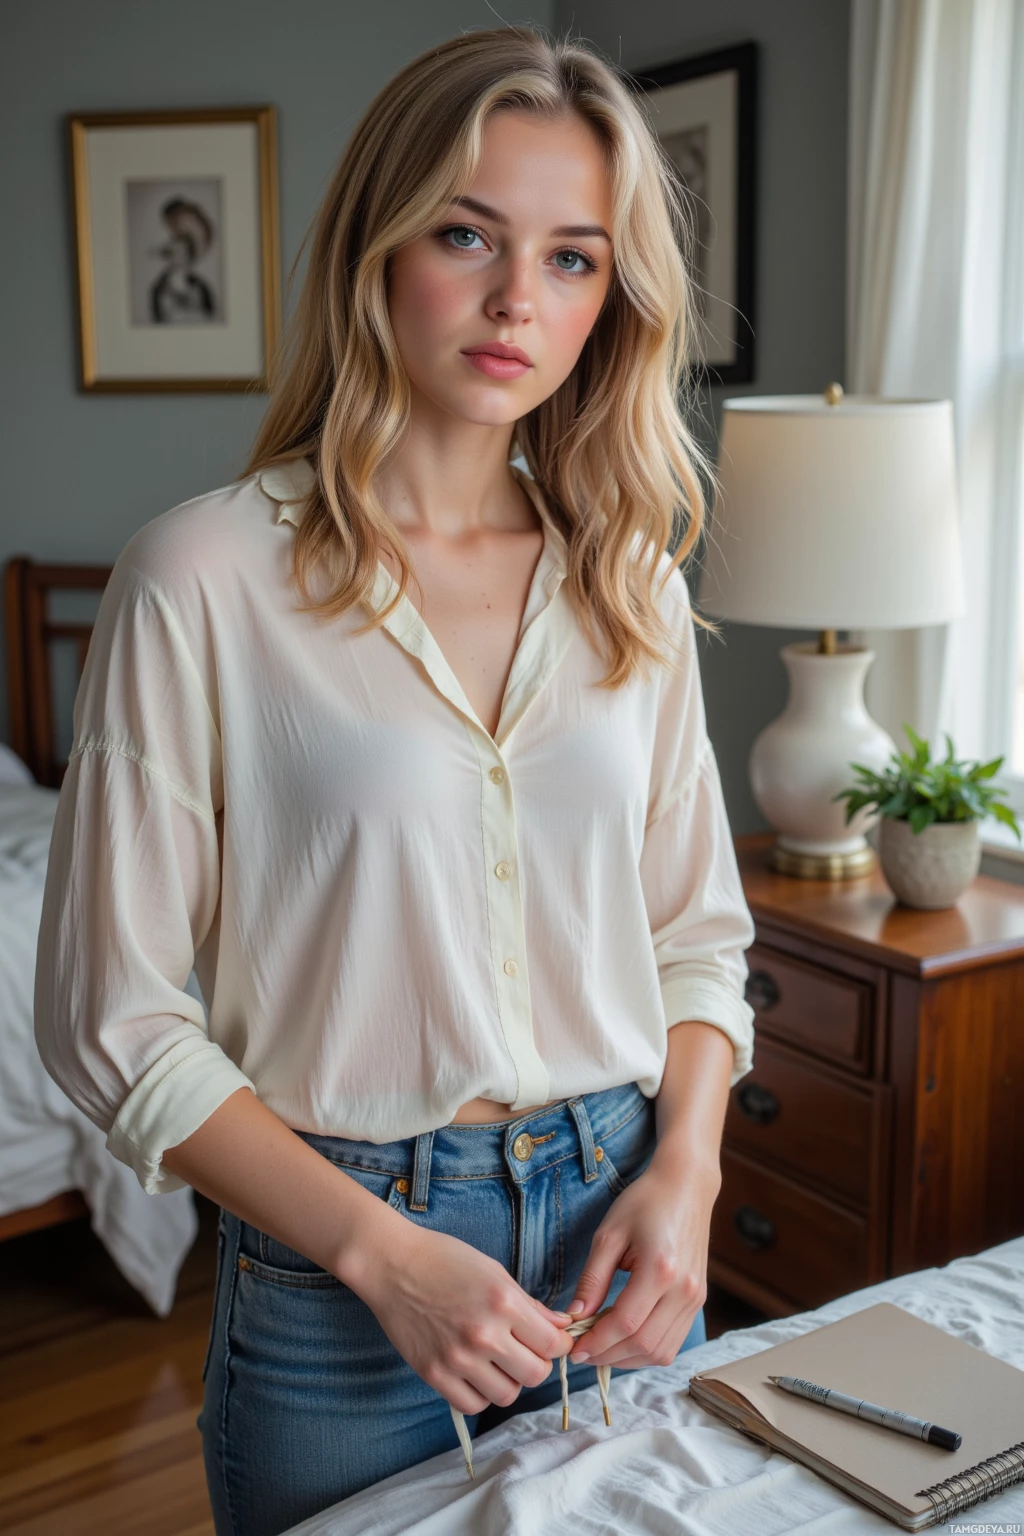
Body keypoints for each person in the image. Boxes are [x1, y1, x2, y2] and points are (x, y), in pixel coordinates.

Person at [33, 25, 757, 1536]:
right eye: (468, 236)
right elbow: (110, 1016)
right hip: (341, 1273)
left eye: (572, 259)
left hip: (622, 1234)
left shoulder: (630, 581)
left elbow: (698, 938)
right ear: (378, 248)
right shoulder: (202, 578)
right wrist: (382, 1252)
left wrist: (685, 1175)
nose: (517, 301)